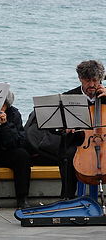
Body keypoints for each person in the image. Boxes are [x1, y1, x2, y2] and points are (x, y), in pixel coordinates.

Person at [60, 60, 106, 199]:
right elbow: (55, 127)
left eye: (95, 80)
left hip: (103, 141)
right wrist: (65, 128)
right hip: (78, 142)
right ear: (80, 78)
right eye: (87, 81)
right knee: (67, 156)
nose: (92, 85)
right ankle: (67, 198)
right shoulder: (68, 97)